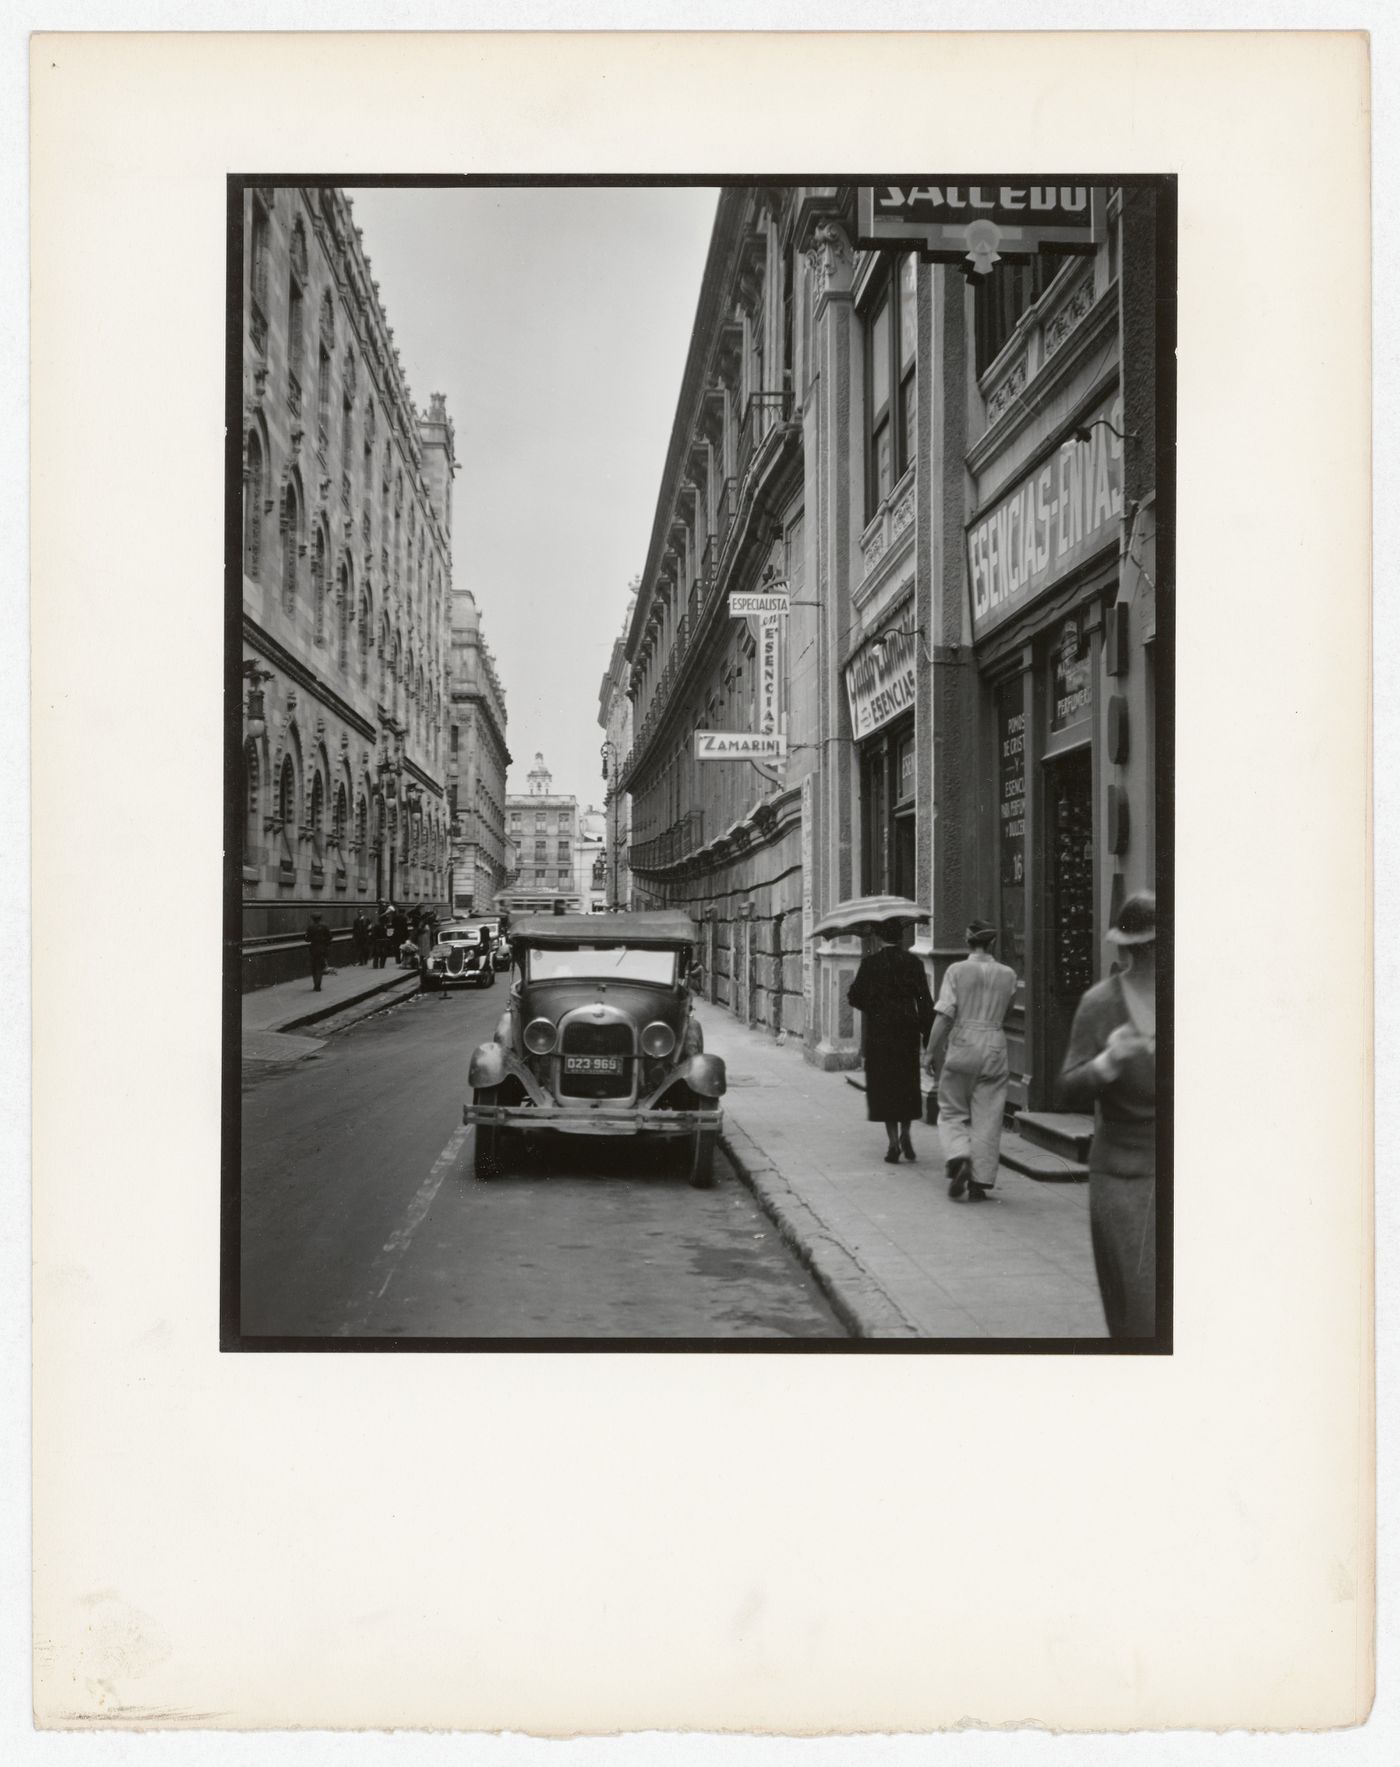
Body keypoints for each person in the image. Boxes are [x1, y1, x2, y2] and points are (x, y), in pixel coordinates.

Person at [1057, 890, 1157, 1338]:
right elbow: (1068, 1086)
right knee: (1141, 1312)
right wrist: (1108, 1062)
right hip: (1126, 1177)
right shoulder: (1102, 1003)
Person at [924, 919, 1018, 1201]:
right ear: (992, 943)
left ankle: (959, 1154)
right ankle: (980, 1182)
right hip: (994, 1044)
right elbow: (1009, 1011)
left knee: (951, 1109)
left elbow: (945, 1015)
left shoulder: (956, 970)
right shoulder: (1008, 974)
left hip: (963, 1042)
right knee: (988, 1115)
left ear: (968, 942)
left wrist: (929, 1051)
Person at [846, 921, 936, 1164]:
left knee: (885, 1086)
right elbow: (925, 1002)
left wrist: (874, 1008)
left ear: (879, 937)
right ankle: (907, 1132)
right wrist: (928, 1037)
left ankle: (893, 1141)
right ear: (901, 936)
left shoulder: (870, 964)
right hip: (907, 1030)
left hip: (880, 1032)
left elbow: (854, 997)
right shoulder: (914, 963)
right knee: (906, 1084)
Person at [304, 911, 333, 992]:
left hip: (313, 949)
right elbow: (330, 937)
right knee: (320, 968)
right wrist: (326, 945)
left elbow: (307, 939)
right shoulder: (325, 926)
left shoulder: (310, 927)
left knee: (314, 968)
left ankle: (315, 984)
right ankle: (318, 985)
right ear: (320, 918)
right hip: (322, 949)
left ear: (313, 919)